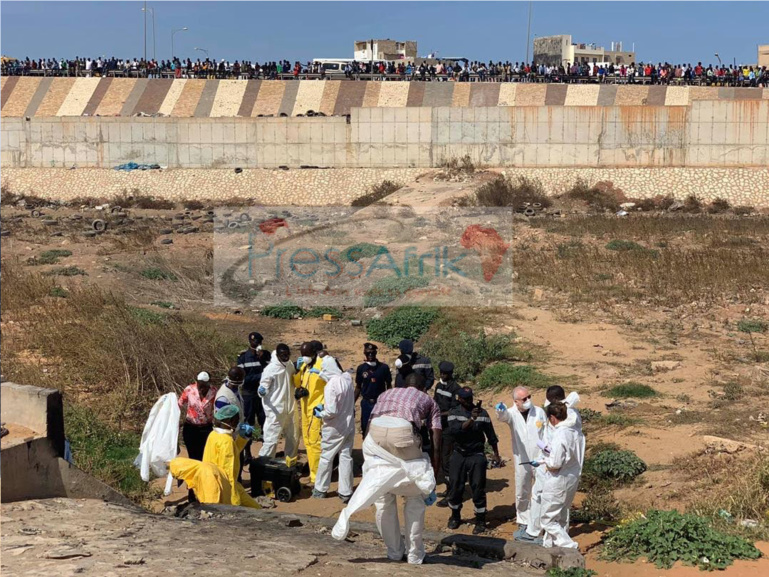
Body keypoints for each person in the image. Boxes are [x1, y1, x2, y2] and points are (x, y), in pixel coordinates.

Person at [332, 373, 441, 565]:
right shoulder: (428, 399)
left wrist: (371, 460)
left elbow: (369, 424)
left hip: (376, 433)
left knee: (383, 496)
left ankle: (394, 552)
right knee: (415, 493)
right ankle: (415, 555)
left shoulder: (387, 393)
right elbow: (436, 437)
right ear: (424, 388)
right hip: (402, 433)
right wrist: (433, 473)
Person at [522, 385, 586, 542]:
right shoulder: (571, 425)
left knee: (546, 507)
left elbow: (556, 460)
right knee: (561, 508)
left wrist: (544, 458)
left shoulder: (563, 429)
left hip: (557, 471)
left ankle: (542, 534)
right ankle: (552, 541)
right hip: (567, 469)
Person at [494, 385, 547, 540]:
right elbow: (503, 417)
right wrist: (500, 410)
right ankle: (523, 519)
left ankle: (540, 520)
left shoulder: (539, 412)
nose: (528, 400)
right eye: (524, 399)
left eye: (529, 397)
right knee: (522, 489)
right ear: (516, 401)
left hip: (539, 457)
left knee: (541, 489)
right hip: (522, 459)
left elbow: (545, 432)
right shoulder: (511, 413)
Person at [446, 387, 500, 534]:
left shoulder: (483, 413)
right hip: (459, 454)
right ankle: (455, 516)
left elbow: (491, 435)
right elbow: (455, 431)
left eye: (470, 398)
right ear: (460, 399)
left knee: (478, 487)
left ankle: (480, 520)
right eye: (466, 399)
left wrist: (496, 454)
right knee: (456, 486)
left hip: (476, 454)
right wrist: (471, 419)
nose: (469, 401)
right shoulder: (454, 413)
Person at [538, 402, 581, 549]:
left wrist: (544, 461)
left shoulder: (559, 434)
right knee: (561, 516)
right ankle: (550, 546)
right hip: (572, 478)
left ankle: (568, 545)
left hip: (558, 479)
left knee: (547, 519)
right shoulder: (575, 432)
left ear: (552, 418)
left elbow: (555, 463)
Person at [201, 405, 260, 509]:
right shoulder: (226, 441)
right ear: (231, 421)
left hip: (213, 482)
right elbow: (228, 473)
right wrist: (234, 499)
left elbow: (232, 452)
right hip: (225, 488)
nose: (238, 423)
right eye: (236, 420)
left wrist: (242, 438)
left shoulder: (213, 435)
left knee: (256, 508)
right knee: (256, 511)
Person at [313, 366, 355, 502]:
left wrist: (321, 413)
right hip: (348, 425)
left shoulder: (330, 385)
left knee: (326, 457)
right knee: (346, 457)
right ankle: (346, 491)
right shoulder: (347, 379)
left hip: (334, 428)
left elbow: (331, 411)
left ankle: (320, 489)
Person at [177, 371, 217, 501]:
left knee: (205, 460)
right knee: (193, 460)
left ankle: (203, 490)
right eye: (201, 384)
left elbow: (218, 409)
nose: (203, 387)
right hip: (191, 429)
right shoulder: (189, 390)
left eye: (205, 385)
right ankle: (191, 492)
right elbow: (179, 404)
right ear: (197, 382)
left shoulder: (214, 392)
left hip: (206, 429)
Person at [293, 341, 330, 484]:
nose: (305, 357)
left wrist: (324, 405)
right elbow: (297, 383)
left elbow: (331, 385)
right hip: (305, 408)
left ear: (314, 352)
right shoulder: (304, 366)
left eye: (307, 355)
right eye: (302, 355)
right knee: (307, 441)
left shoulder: (322, 364)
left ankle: (317, 477)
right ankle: (313, 471)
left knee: (315, 442)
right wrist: (297, 372)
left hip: (316, 409)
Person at [258, 344, 299, 467]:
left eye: (287, 354)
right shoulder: (270, 369)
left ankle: (290, 463)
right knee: (271, 439)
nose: (285, 357)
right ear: (277, 355)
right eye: (283, 355)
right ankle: (263, 464)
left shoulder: (290, 365)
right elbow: (263, 385)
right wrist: (262, 391)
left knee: (294, 437)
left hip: (290, 408)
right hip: (275, 411)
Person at [237, 332, 270, 460]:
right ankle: (247, 452)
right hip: (249, 395)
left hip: (263, 395)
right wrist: (261, 376)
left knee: (265, 422)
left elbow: (272, 372)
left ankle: (266, 451)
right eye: (254, 342)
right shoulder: (243, 357)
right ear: (250, 342)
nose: (257, 344)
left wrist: (261, 359)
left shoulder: (266, 355)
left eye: (259, 342)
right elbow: (244, 379)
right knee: (248, 423)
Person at [433, 361, 460, 506]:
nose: (442, 375)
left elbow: (454, 410)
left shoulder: (455, 389)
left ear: (450, 374)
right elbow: (434, 401)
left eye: (445, 374)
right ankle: (448, 489)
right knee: (442, 460)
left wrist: (439, 414)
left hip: (449, 428)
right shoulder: (438, 386)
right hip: (439, 426)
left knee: (447, 459)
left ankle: (451, 493)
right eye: (441, 373)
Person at [355, 343, 392, 438]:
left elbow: (389, 385)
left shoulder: (383, 368)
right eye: (368, 353)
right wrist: (351, 403)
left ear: (376, 353)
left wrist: (389, 401)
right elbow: (358, 387)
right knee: (365, 426)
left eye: (372, 353)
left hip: (380, 403)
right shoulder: (361, 368)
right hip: (366, 403)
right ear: (364, 353)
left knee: (381, 427)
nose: (370, 355)